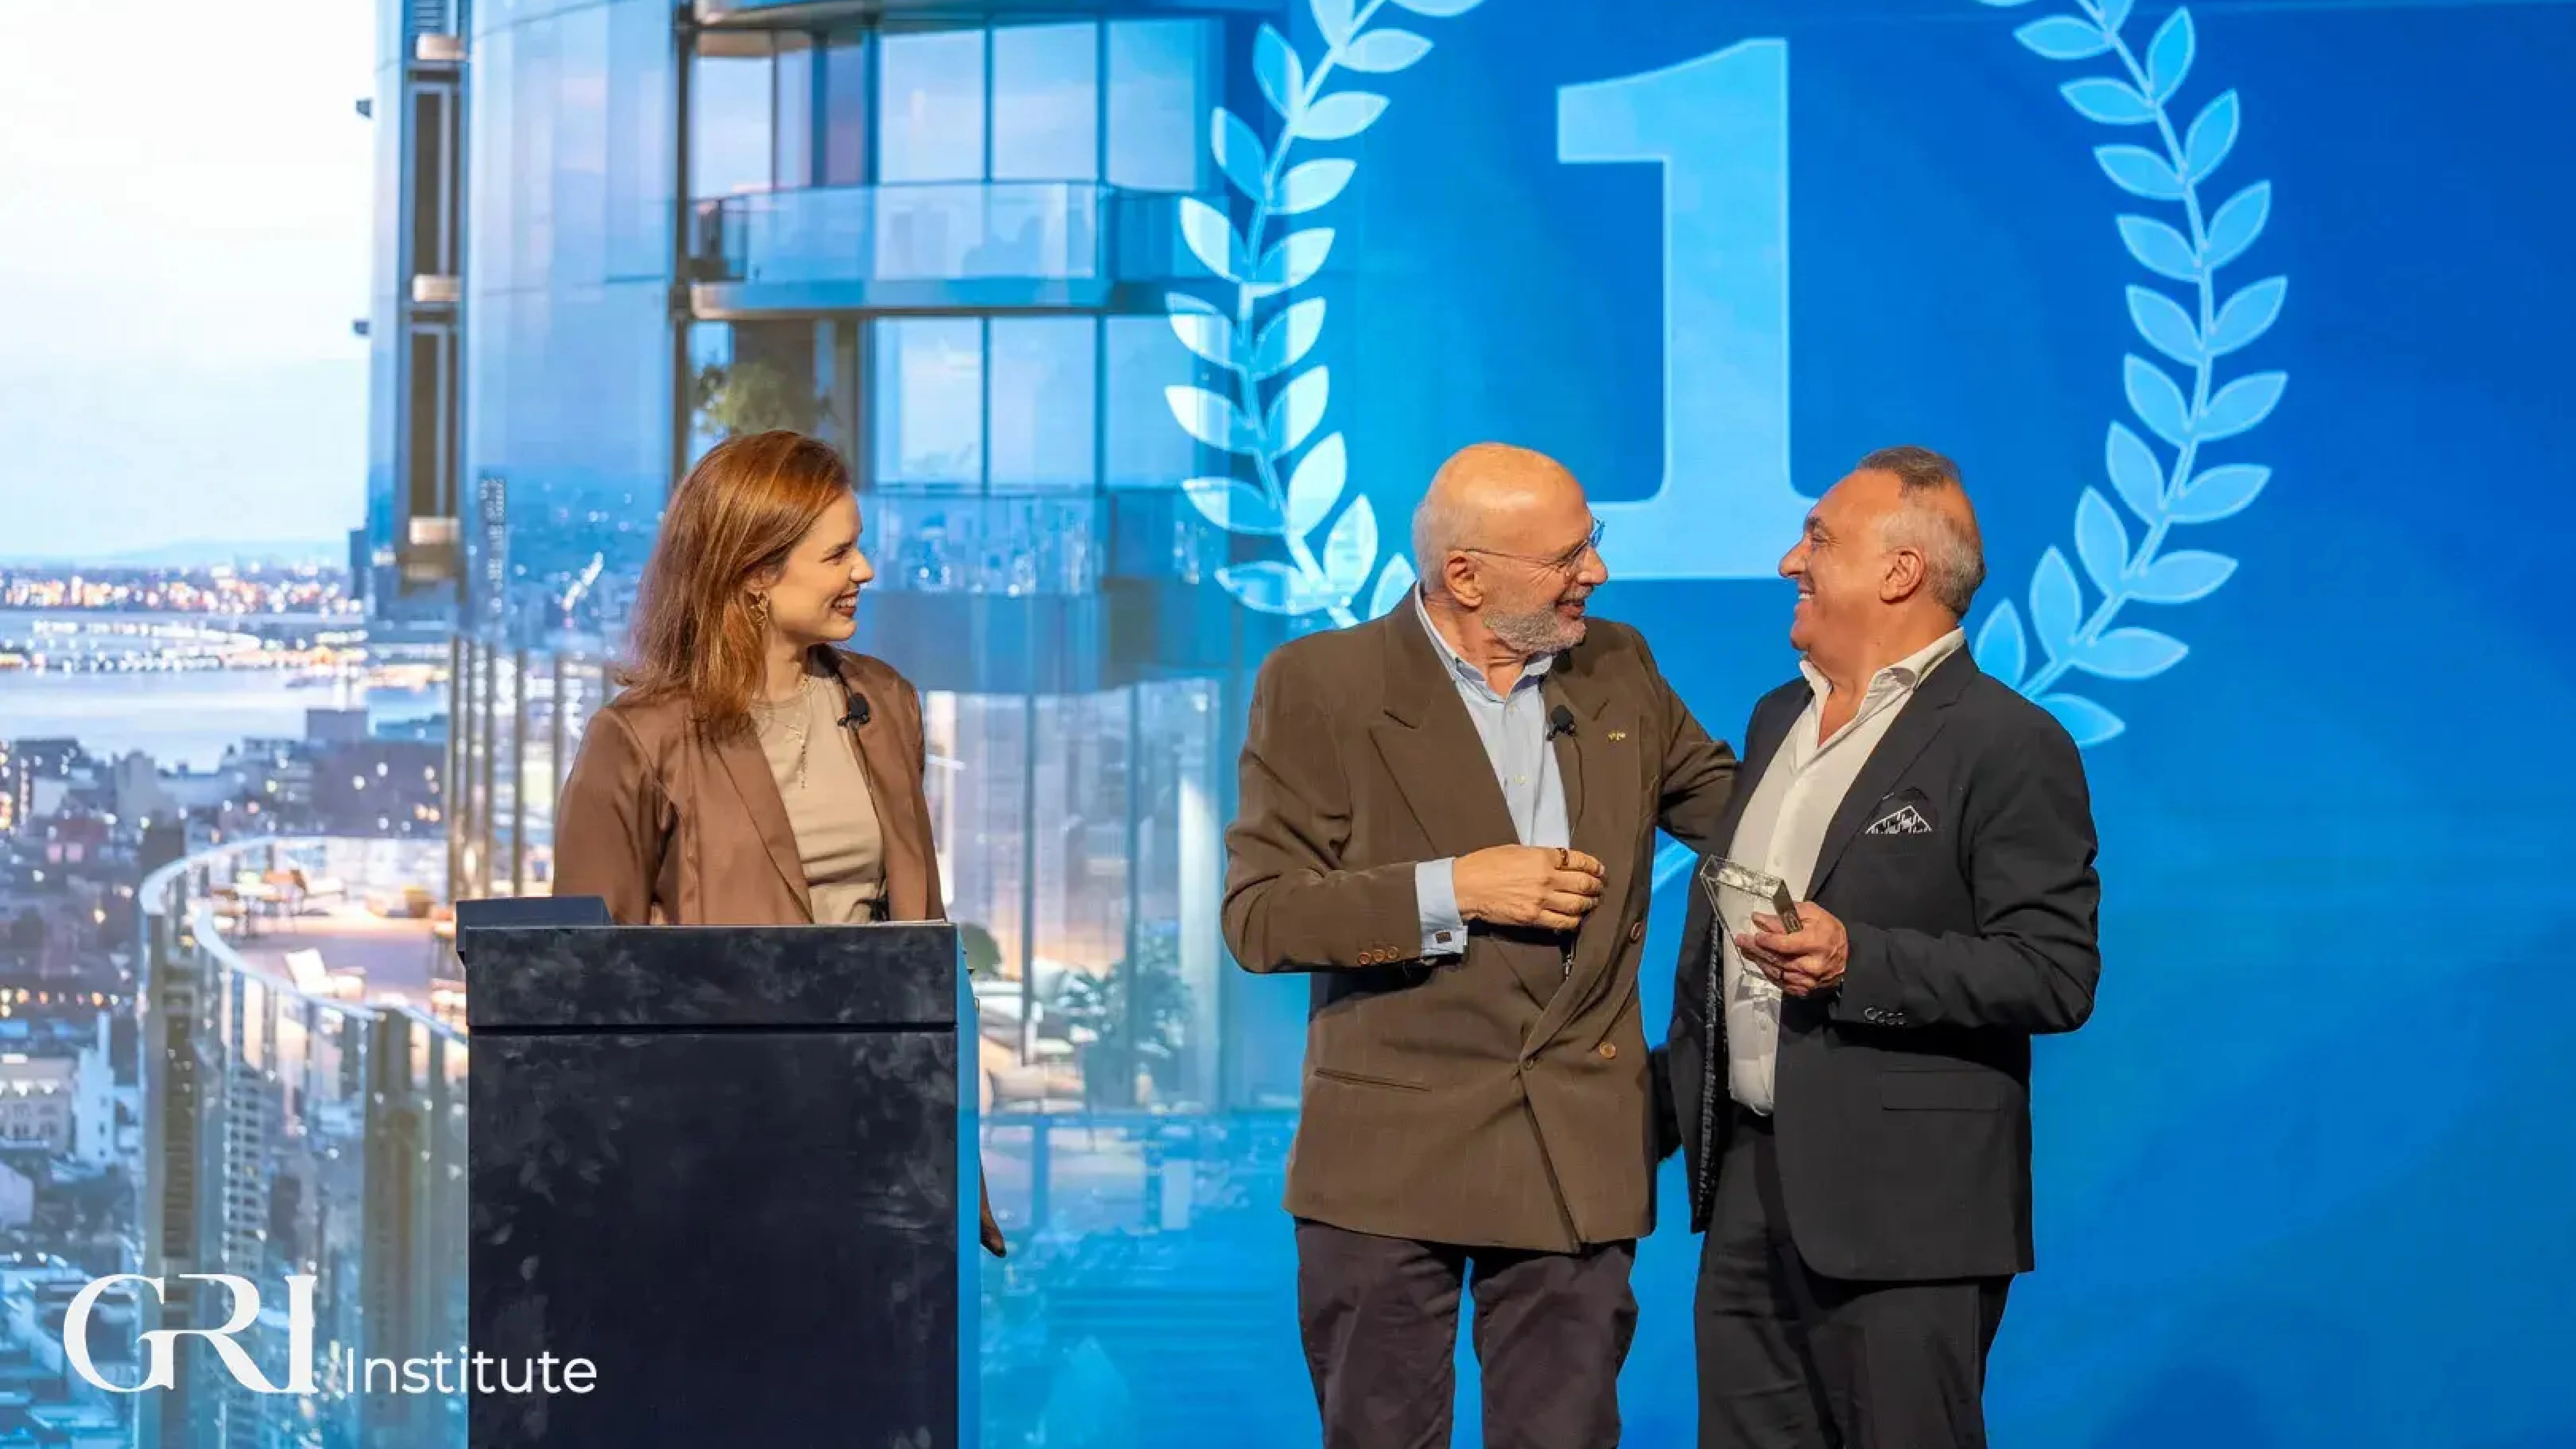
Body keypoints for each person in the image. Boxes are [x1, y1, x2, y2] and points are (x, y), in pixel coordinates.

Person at [1223, 441, 1740, 1449]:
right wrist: (1453, 887)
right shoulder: (1322, 684)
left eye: (1592, 543)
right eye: (1566, 556)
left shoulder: (1618, 665)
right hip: (1388, 1158)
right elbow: (1262, 915)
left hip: (1576, 1153)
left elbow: (1744, 816)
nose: (1595, 570)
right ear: (1466, 575)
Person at [1657, 445, 2102, 1448]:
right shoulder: (1779, 717)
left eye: (1817, 539)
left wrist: (1861, 961)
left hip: (1910, 1214)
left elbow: (2056, 970)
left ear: (1900, 573)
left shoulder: (2007, 740)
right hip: (1749, 1191)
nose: (1787, 561)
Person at [551, 429, 1007, 1259]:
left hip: (878, 1129)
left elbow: (920, 925)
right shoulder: (640, 739)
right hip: (713, 1149)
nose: (863, 572)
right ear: (757, 573)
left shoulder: (886, 702)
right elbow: (583, 981)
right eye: (839, 555)